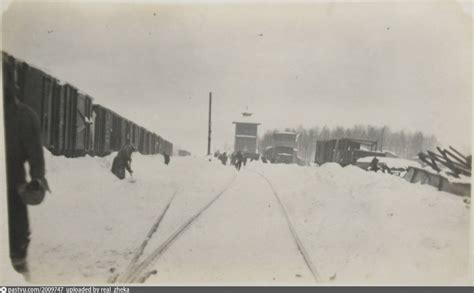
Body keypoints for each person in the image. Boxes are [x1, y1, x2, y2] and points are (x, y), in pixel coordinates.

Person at [4, 59, 49, 277]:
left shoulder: (22, 116)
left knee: (16, 246)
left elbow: (35, 156)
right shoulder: (24, 115)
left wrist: (37, 179)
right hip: (13, 189)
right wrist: (37, 177)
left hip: (12, 189)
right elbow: (36, 156)